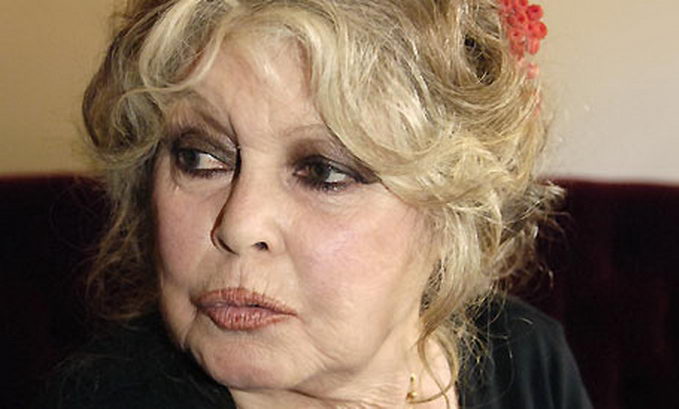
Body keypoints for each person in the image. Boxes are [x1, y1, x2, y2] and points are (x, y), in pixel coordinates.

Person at [38, 0, 592, 408]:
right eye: (200, 159)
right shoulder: (100, 397)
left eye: (323, 171)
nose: (239, 225)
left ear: (454, 213)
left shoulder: (527, 357)